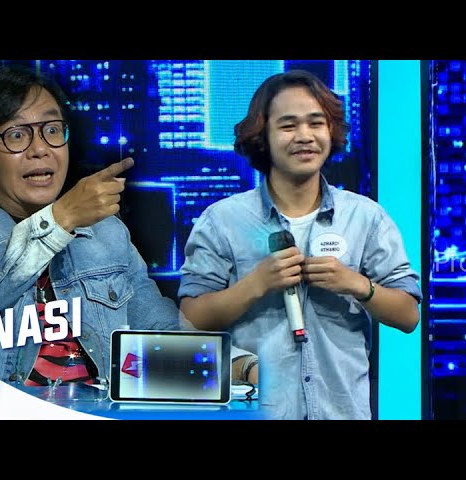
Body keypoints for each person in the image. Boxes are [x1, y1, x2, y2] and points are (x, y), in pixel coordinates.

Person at [0, 66, 257, 391]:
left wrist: (242, 366)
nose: (40, 149)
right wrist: (59, 220)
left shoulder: (106, 233)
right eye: (16, 135)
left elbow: (158, 330)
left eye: (52, 130)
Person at [177, 69, 422, 419]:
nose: (305, 136)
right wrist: (256, 284)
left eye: (316, 123)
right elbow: (190, 320)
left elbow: (408, 315)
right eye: (288, 126)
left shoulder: (366, 217)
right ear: (263, 136)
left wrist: (356, 284)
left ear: (331, 131)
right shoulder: (222, 220)